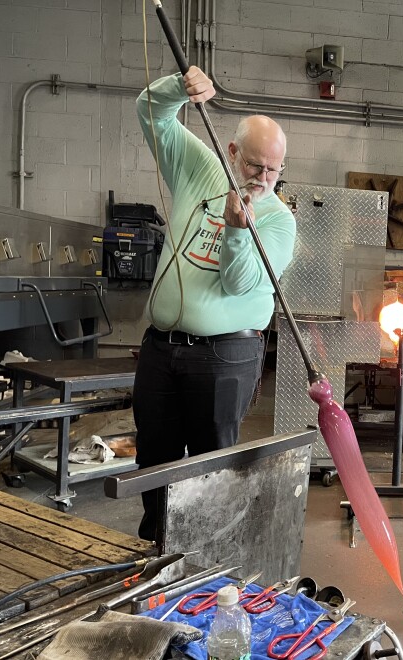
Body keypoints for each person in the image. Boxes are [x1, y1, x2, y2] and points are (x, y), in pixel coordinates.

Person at [133, 66, 296, 541]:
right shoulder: (200, 168)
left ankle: (208, 555)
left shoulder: (280, 222)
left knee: (212, 462)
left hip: (226, 355)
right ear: (231, 152)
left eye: (273, 169)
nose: (263, 178)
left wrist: (236, 229)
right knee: (154, 455)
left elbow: (239, 281)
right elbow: (150, 112)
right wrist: (178, 88)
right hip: (161, 348)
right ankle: (156, 545)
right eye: (253, 166)